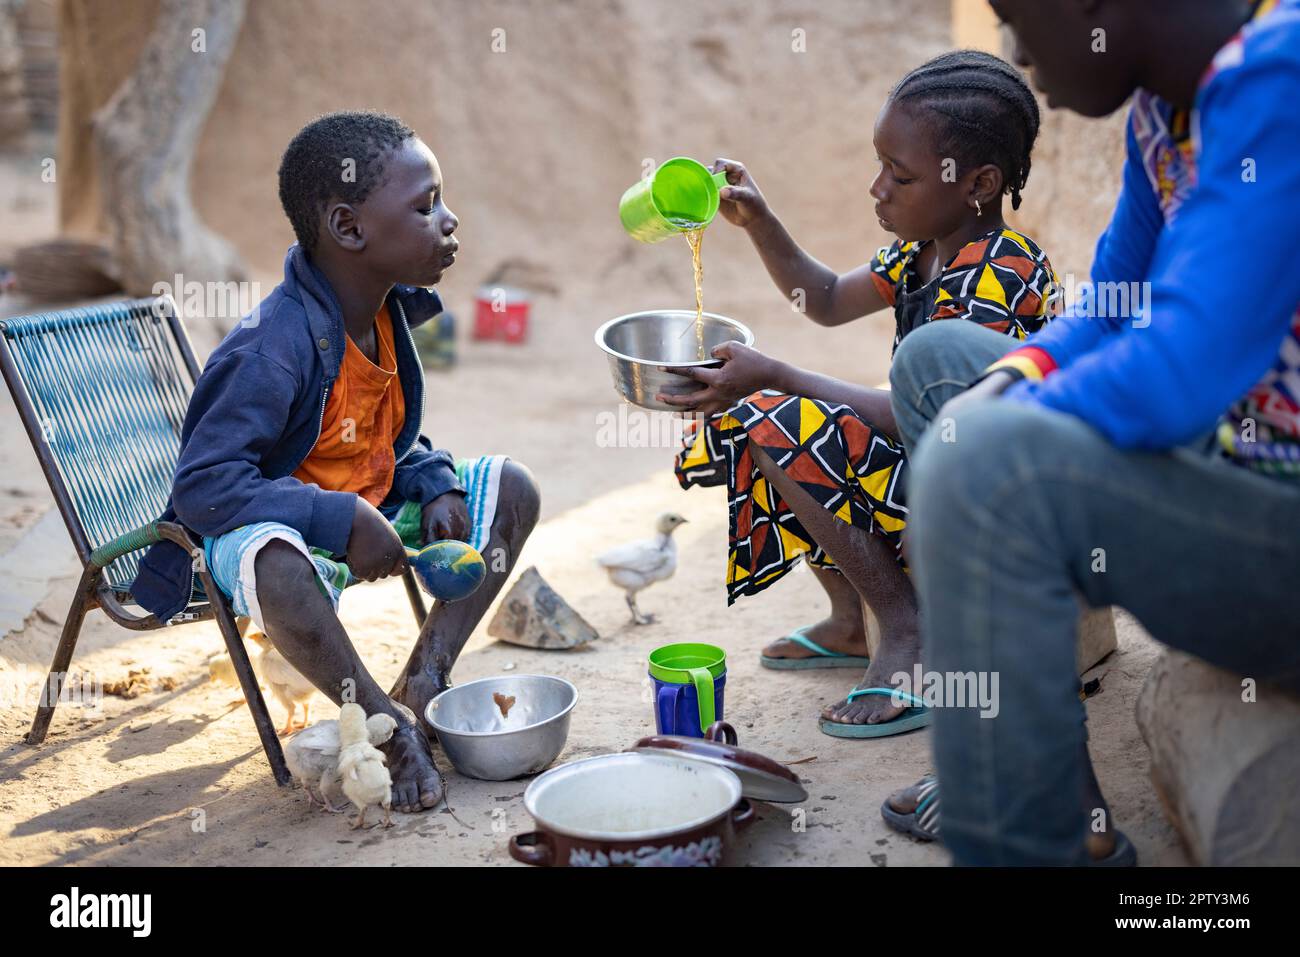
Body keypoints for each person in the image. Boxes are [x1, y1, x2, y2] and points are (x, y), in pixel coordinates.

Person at [885, 0, 1300, 864]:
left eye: (1015, 20)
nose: (1018, 57)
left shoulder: (1279, 76)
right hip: (1240, 462)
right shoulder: (1162, 110)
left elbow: (1180, 366)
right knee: (944, 364)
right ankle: (1059, 794)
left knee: (988, 468)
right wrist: (1002, 385)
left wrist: (991, 440)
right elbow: (1109, 307)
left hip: (1272, 503)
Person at [133, 111, 541, 814]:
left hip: (368, 508)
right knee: (277, 566)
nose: (449, 220)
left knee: (512, 488)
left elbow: (373, 435)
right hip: (280, 533)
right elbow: (203, 487)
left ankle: (426, 679)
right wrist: (334, 514)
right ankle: (382, 723)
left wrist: (432, 480)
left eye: (439, 200)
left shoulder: (383, 311)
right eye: (424, 206)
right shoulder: (270, 349)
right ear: (349, 229)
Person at [665, 51, 1058, 736]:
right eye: (880, 166)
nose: (877, 188)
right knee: (762, 419)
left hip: (986, 496)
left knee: (783, 420)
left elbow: (934, 422)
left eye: (899, 175)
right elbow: (820, 298)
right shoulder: (921, 252)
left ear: (979, 183)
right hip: (930, 470)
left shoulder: (1003, 271)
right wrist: (759, 219)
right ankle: (853, 623)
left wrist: (777, 375)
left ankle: (908, 633)